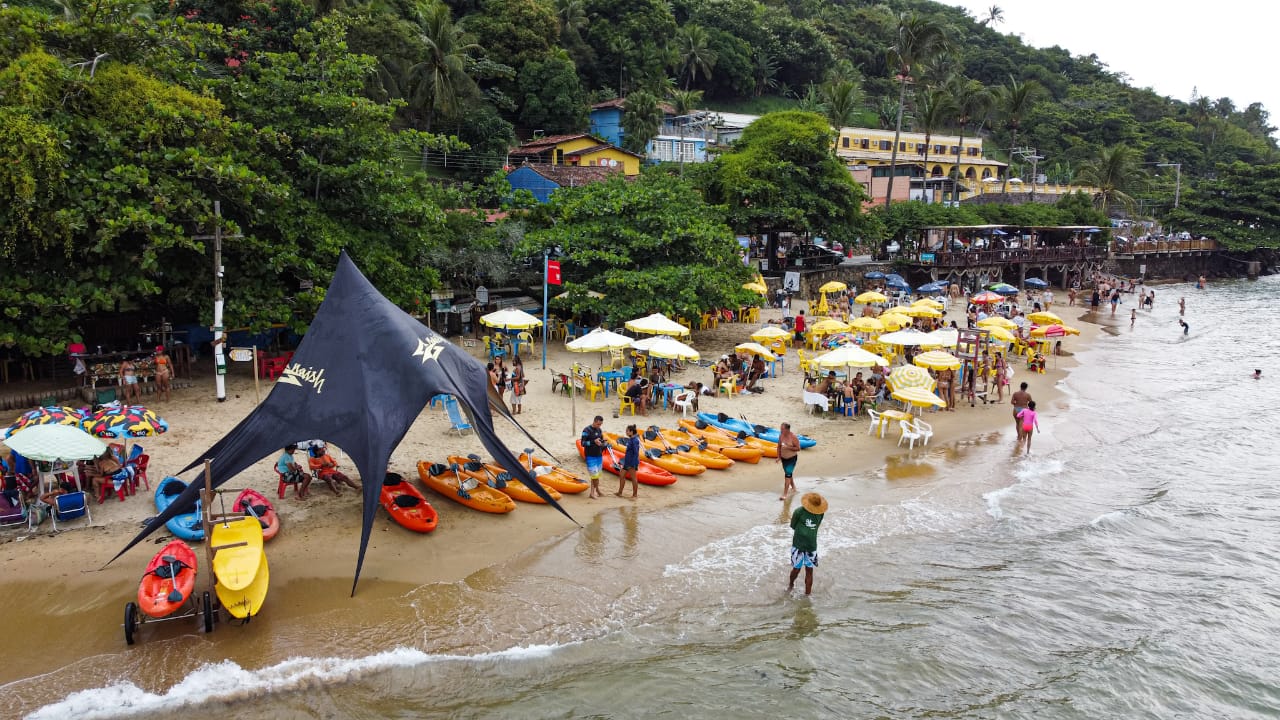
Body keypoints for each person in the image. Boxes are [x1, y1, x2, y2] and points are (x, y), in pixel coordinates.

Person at [788, 492, 827, 596]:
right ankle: (807, 595)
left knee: (796, 569)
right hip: (811, 546)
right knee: (809, 571)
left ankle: (791, 585)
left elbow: (793, 526)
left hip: (798, 544)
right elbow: (817, 526)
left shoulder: (799, 511)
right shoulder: (820, 514)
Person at [581, 416, 605, 499]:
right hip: (590, 456)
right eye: (598, 424)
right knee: (594, 475)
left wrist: (602, 443)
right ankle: (592, 493)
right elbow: (583, 443)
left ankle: (597, 490)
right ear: (594, 421)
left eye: (601, 424)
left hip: (599, 455)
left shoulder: (599, 430)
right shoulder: (586, 430)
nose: (599, 426)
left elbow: (601, 441)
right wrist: (593, 442)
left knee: (597, 475)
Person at [777, 422, 801, 500]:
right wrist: (779, 457)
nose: (781, 430)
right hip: (784, 459)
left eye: (782, 429)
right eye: (780, 429)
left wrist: (788, 447)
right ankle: (794, 488)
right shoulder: (781, 436)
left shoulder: (793, 437)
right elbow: (778, 447)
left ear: (787, 429)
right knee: (788, 474)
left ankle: (785, 494)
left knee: (787, 475)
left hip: (792, 459)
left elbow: (798, 448)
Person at [617, 424, 640, 499]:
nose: (626, 432)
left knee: (633, 478)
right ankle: (619, 493)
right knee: (621, 475)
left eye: (627, 431)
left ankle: (635, 495)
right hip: (627, 462)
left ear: (631, 432)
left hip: (632, 462)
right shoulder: (631, 439)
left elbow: (636, 453)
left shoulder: (635, 440)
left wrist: (633, 464)